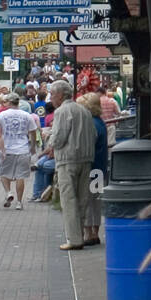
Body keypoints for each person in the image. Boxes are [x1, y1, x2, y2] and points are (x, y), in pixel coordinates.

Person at [44, 80, 95, 250]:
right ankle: (79, 234)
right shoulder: (85, 111)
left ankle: (73, 239)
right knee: (82, 199)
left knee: (69, 199)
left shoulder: (62, 111)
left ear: (60, 95)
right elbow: (93, 134)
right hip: (86, 158)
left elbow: (59, 138)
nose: (51, 97)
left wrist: (48, 142)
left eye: (52, 94)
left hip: (67, 159)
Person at [0, 93, 37, 210]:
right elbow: (33, 131)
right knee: (20, 176)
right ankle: (19, 202)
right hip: (23, 148)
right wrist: (33, 146)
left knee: (4, 173)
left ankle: (8, 192)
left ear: (9, 102)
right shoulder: (27, 115)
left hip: (7, 148)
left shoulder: (2, 115)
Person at [79, 92, 107, 246]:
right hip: (100, 167)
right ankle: (96, 231)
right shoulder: (100, 122)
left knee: (87, 200)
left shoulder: (90, 124)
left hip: (90, 167)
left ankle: (88, 232)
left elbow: (88, 145)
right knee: (96, 200)